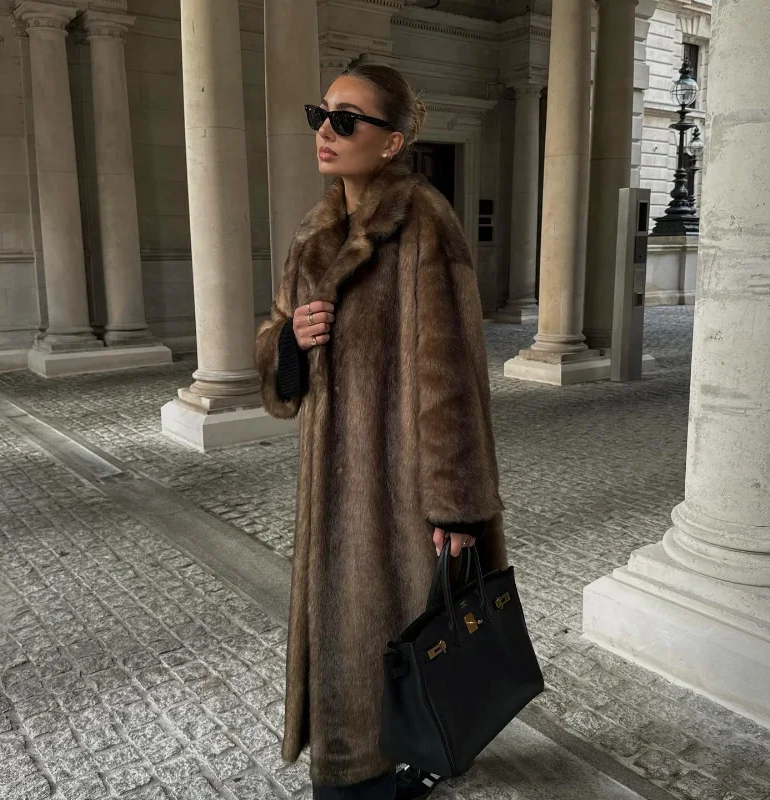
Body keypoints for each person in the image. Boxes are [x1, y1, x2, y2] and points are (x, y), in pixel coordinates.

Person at [254, 63, 508, 800]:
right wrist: (290, 342)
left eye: (347, 120)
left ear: (392, 141)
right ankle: (372, 764)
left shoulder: (425, 221)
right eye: (321, 115)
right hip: (333, 486)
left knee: (403, 635)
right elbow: (276, 340)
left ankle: (381, 768)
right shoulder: (314, 231)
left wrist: (457, 505)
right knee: (349, 631)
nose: (326, 132)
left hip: (403, 488)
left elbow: (454, 373)